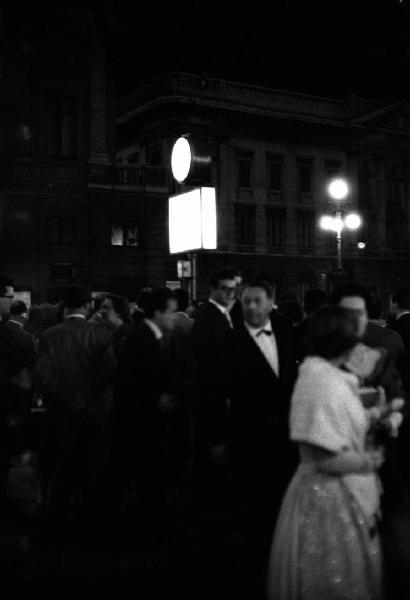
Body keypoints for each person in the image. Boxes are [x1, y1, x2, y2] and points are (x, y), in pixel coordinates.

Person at [267, 306, 384, 600]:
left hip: (338, 494)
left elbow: (334, 422)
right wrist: (368, 461)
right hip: (327, 500)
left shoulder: (324, 374)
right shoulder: (320, 380)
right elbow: (323, 456)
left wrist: (373, 415)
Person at [228, 279, 297, 581]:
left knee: (282, 500)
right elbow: (216, 391)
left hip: (285, 434)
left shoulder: (285, 332)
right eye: (246, 302)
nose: (252, 307)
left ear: (271, 303)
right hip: (248, 434)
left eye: (258, 301)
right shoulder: (228, 341)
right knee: (254, 504)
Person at [35, 285, 116, 519]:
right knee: (90, 467)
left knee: (61, 468)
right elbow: (108, 372)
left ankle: (58, 517)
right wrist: (87, 398)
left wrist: (68, 398)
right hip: (93, 413)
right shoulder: (101, 335)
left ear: (64, 306)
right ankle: (88, 517)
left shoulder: (49, 336)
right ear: (89, 306)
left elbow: (43, 373)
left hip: (59, 413)